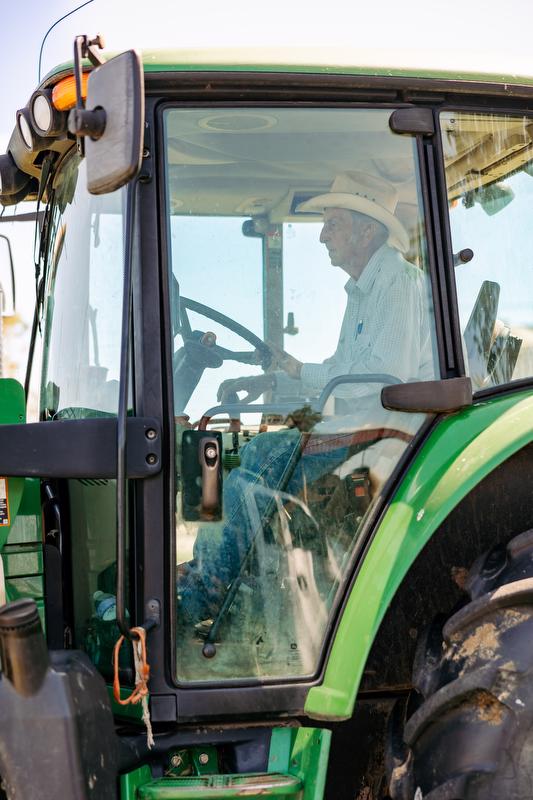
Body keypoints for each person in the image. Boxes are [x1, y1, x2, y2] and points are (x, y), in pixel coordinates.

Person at [177, 171, 434, 625]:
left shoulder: (397, 282)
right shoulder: (361, 292)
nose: (322, 237)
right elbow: (341, 371)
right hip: (351, 420)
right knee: (210, 451)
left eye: (332, 224)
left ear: (366, 229)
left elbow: (382, 378)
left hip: (380, 428)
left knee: (253, 455)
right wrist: (276, 384)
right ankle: (213, 573)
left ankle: (206, 589)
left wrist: (298, 370)